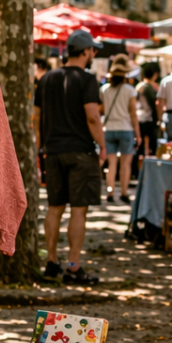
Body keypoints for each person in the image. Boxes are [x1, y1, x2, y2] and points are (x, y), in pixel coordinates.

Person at [33, 28, 106, 284]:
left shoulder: (46, 79)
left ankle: (51, 261)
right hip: (81, 151)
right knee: (78, 209)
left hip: (52, 152)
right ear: (86, 51)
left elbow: (37, 117)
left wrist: (39, 148)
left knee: (54, 207)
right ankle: (73, 266)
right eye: (93, 50)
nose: (93, 54)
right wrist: (103, 146)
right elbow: (92, 116)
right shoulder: (87, 80)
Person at [100, 55, 140, 203]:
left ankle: (110, 193)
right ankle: (124, 192)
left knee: (111, 163)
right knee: (125, 164)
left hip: (109, 128)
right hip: (126, 129)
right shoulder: (130, 90)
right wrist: (138, 134)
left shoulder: (104, 89)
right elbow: (133, 114)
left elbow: (102, 110)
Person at [135, 61, 160, 156]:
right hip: (148, 118)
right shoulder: (149, 87)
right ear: (155, 74)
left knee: (140, 145)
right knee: (152, 146)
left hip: (139, 117)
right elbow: (154, 104)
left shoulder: (139, 86)